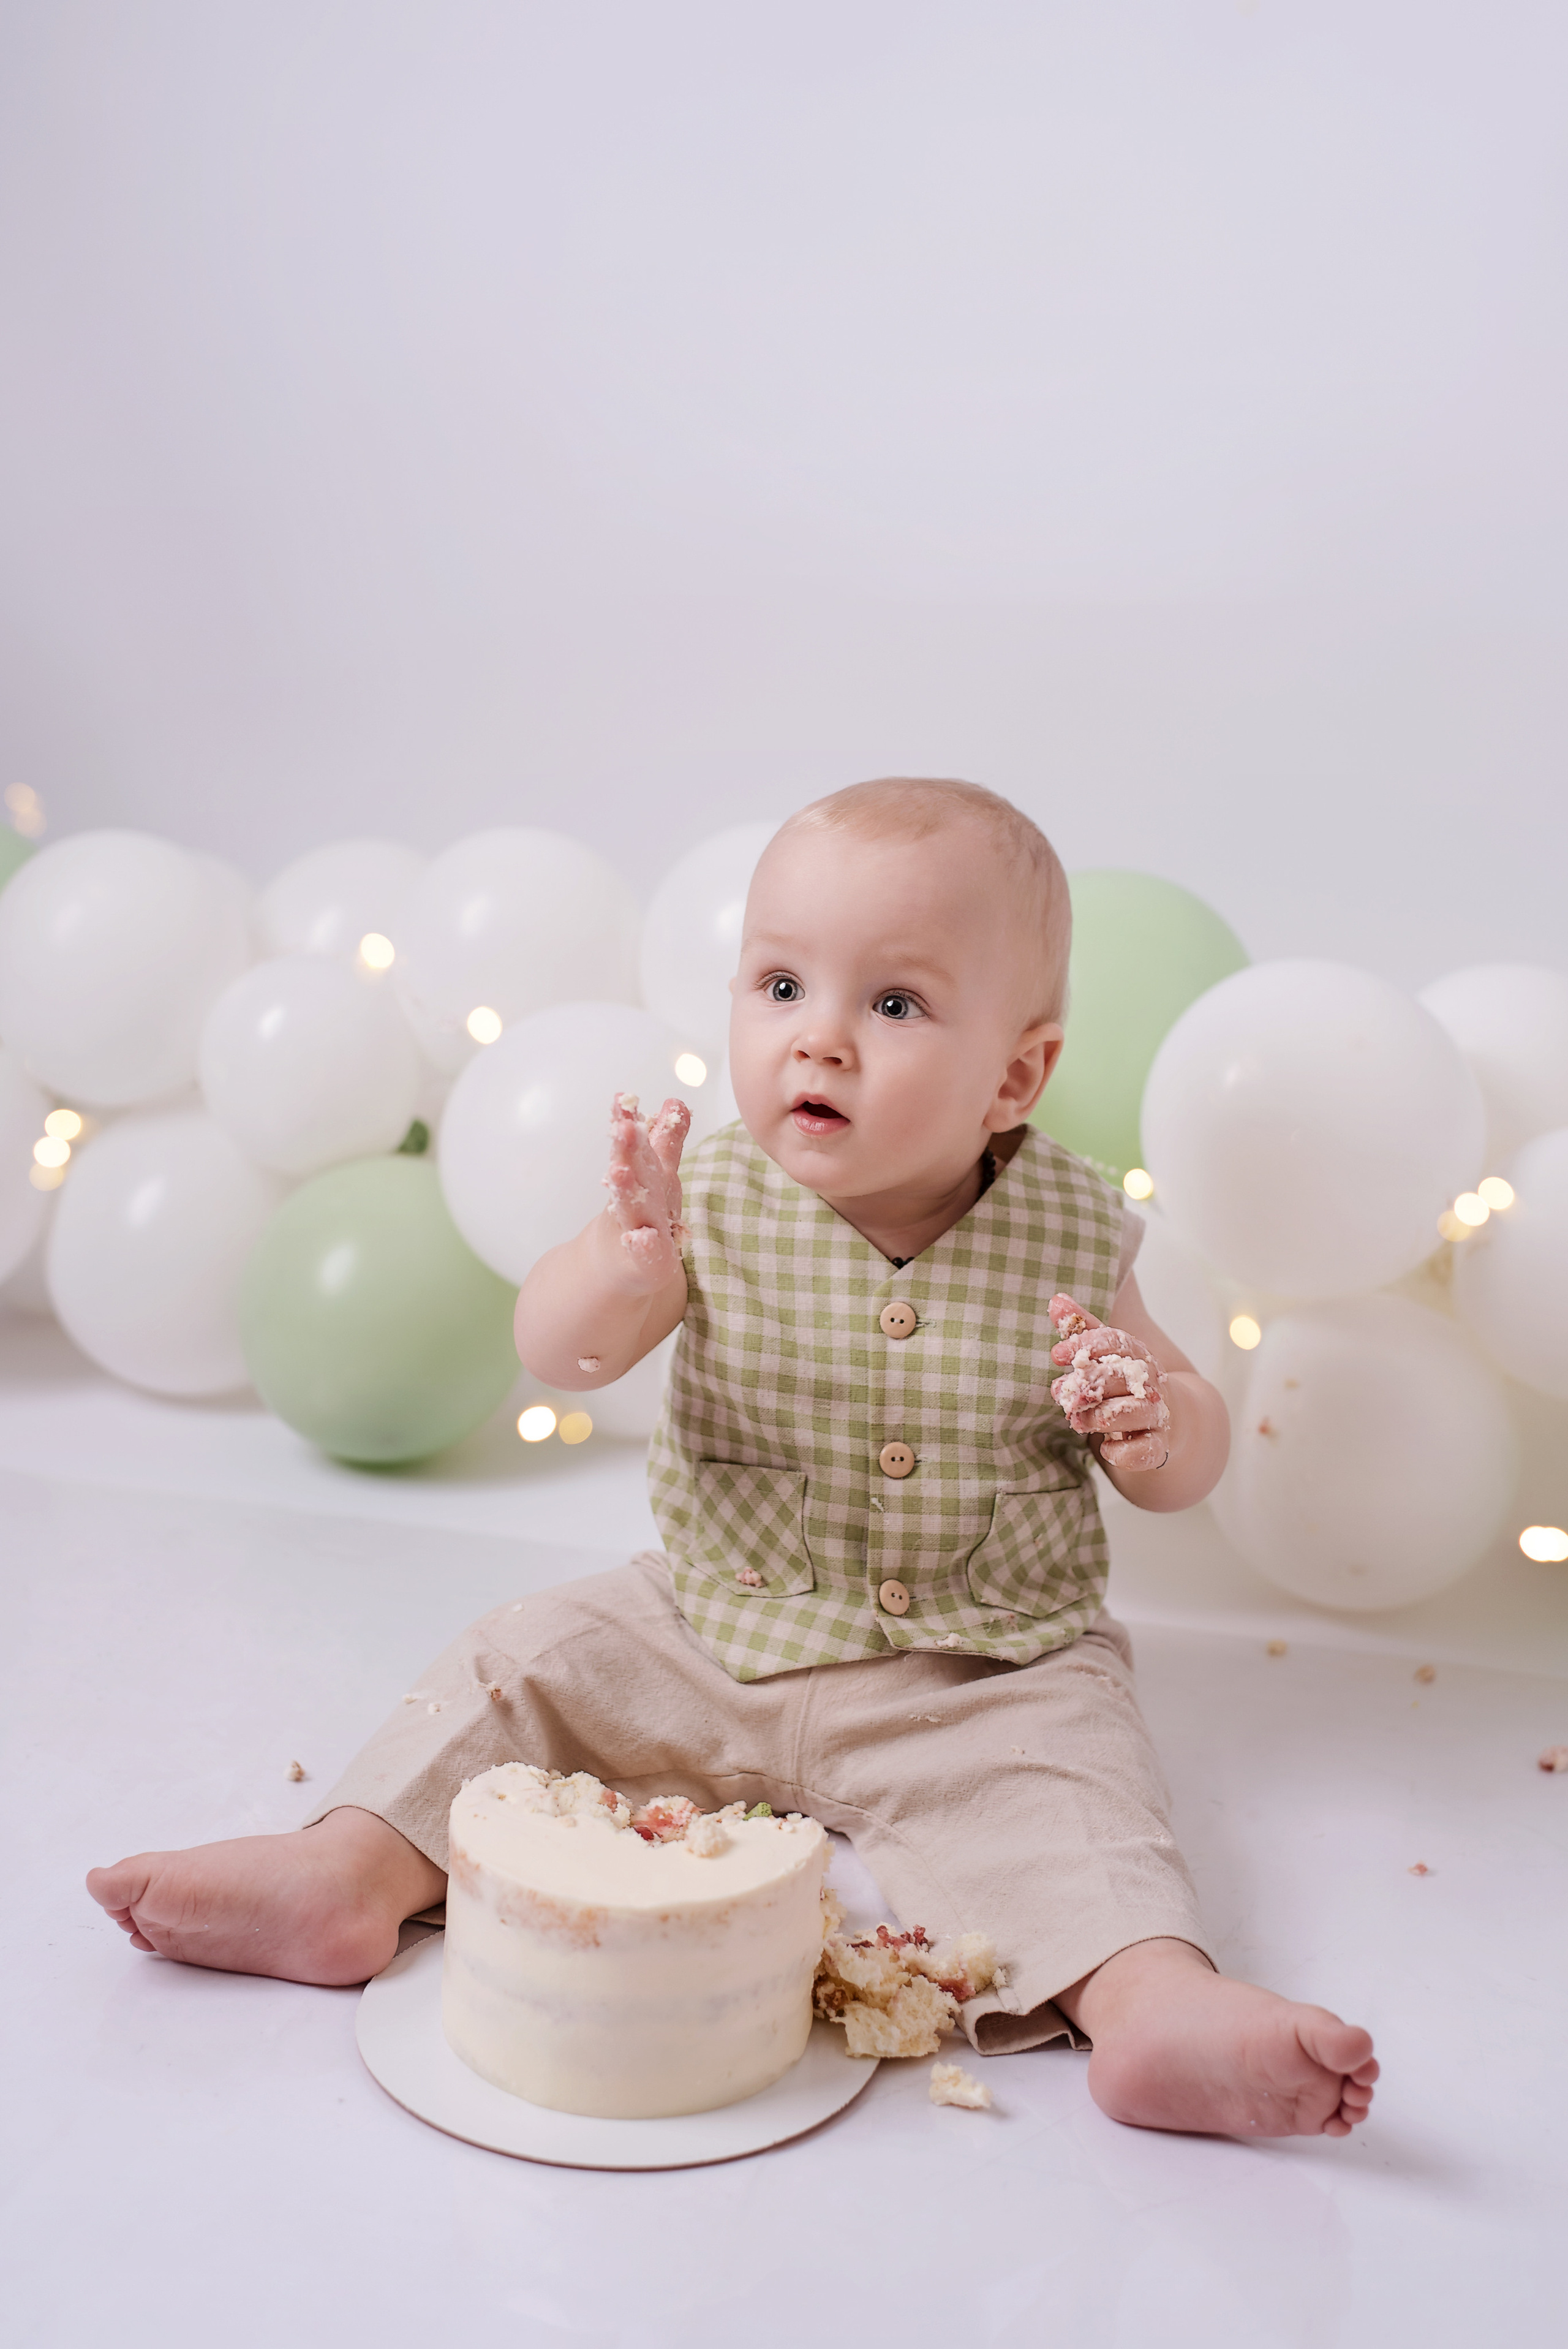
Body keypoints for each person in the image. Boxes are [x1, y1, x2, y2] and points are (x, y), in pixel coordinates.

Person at [88, 777, 1377, 2139]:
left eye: (891, 1005)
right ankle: (345, 1872)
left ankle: (1149, 2006)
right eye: (777, 985)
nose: (817, 1040)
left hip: (982, 1664)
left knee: (1078, 1797)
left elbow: (1177, 1458)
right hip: (708, 1623)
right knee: (523, 1662)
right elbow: (559, 1352)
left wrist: (1157, 1424)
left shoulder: (1069, 1226)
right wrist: (614, 1269)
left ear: (1013, 1075)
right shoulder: (704, 1195)